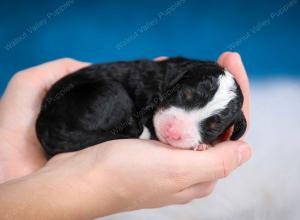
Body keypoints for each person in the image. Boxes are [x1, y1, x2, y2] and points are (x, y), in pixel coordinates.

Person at [0, 52, 251, 219]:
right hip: (73, 105)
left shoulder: (183, 80)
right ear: (177, 81)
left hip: (69, 125)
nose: (176, 129)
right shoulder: (161, 77)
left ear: (230, 130)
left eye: (210, 126)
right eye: (184, 99)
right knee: (116, 102)